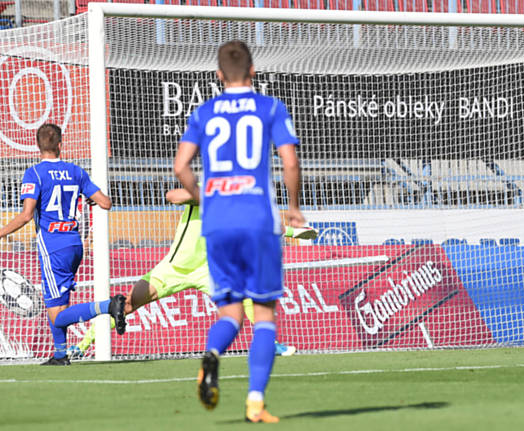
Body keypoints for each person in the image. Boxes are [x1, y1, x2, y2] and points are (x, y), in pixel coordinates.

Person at [174, 40, 304, 423]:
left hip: (218, 223)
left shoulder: (204, 112)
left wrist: (203, 197)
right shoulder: (270, 107)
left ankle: (211, 355)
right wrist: (294, 208)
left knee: (230, 311)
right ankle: (255, 403)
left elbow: (180, 166)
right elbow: (290, 162)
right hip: (257, 220)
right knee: (263, 314)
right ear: (253, 71)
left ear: (218, 75)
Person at [67, 188, 312, 359]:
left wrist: (295, 232)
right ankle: (82, 346)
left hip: (208, 270)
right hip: (172, 269)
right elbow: (171, 196)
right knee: (127, 304)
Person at [0, 123, 126, 365]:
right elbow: (106, 203)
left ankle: (108, 306)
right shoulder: (75, 171)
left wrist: (1, 232)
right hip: (74, 244)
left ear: (38, 145)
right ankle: (60, 355)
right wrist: (89, 197)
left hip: (52, 246)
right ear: (60, 144)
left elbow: (26, 215)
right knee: (59, 304)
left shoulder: (34, 173)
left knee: (56, 315)